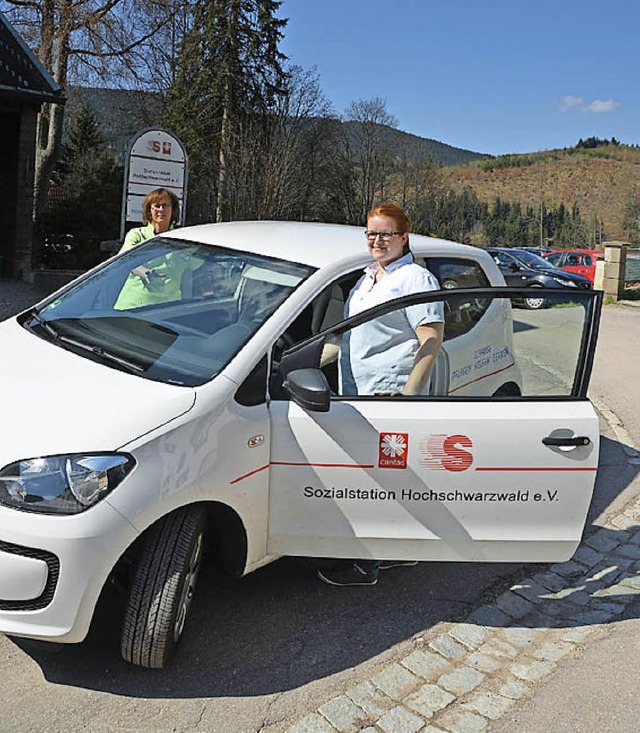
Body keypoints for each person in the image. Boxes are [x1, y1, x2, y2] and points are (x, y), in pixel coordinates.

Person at [317, 203, 444, 588]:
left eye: (386, 233)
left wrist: (406, 399)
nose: (377, 240)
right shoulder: (368, 276)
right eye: (372, 233)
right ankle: (398, 551)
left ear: (404, 237)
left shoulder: (415, 280)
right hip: (358, 393)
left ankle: (365, 565)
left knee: (379, 482)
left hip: (389, 396)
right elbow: (351, 336)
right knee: (380, 478)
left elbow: (432, 340)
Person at [114, 188, 198, 310]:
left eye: (165, 205)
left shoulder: (183, 240)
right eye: (156, 206)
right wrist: (144, 271)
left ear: (173, 209)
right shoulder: (137, 235)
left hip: (167, 311)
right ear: (149, 211)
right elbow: (124, 260)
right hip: (134, 307)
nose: (161, 210)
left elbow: (199, 267)